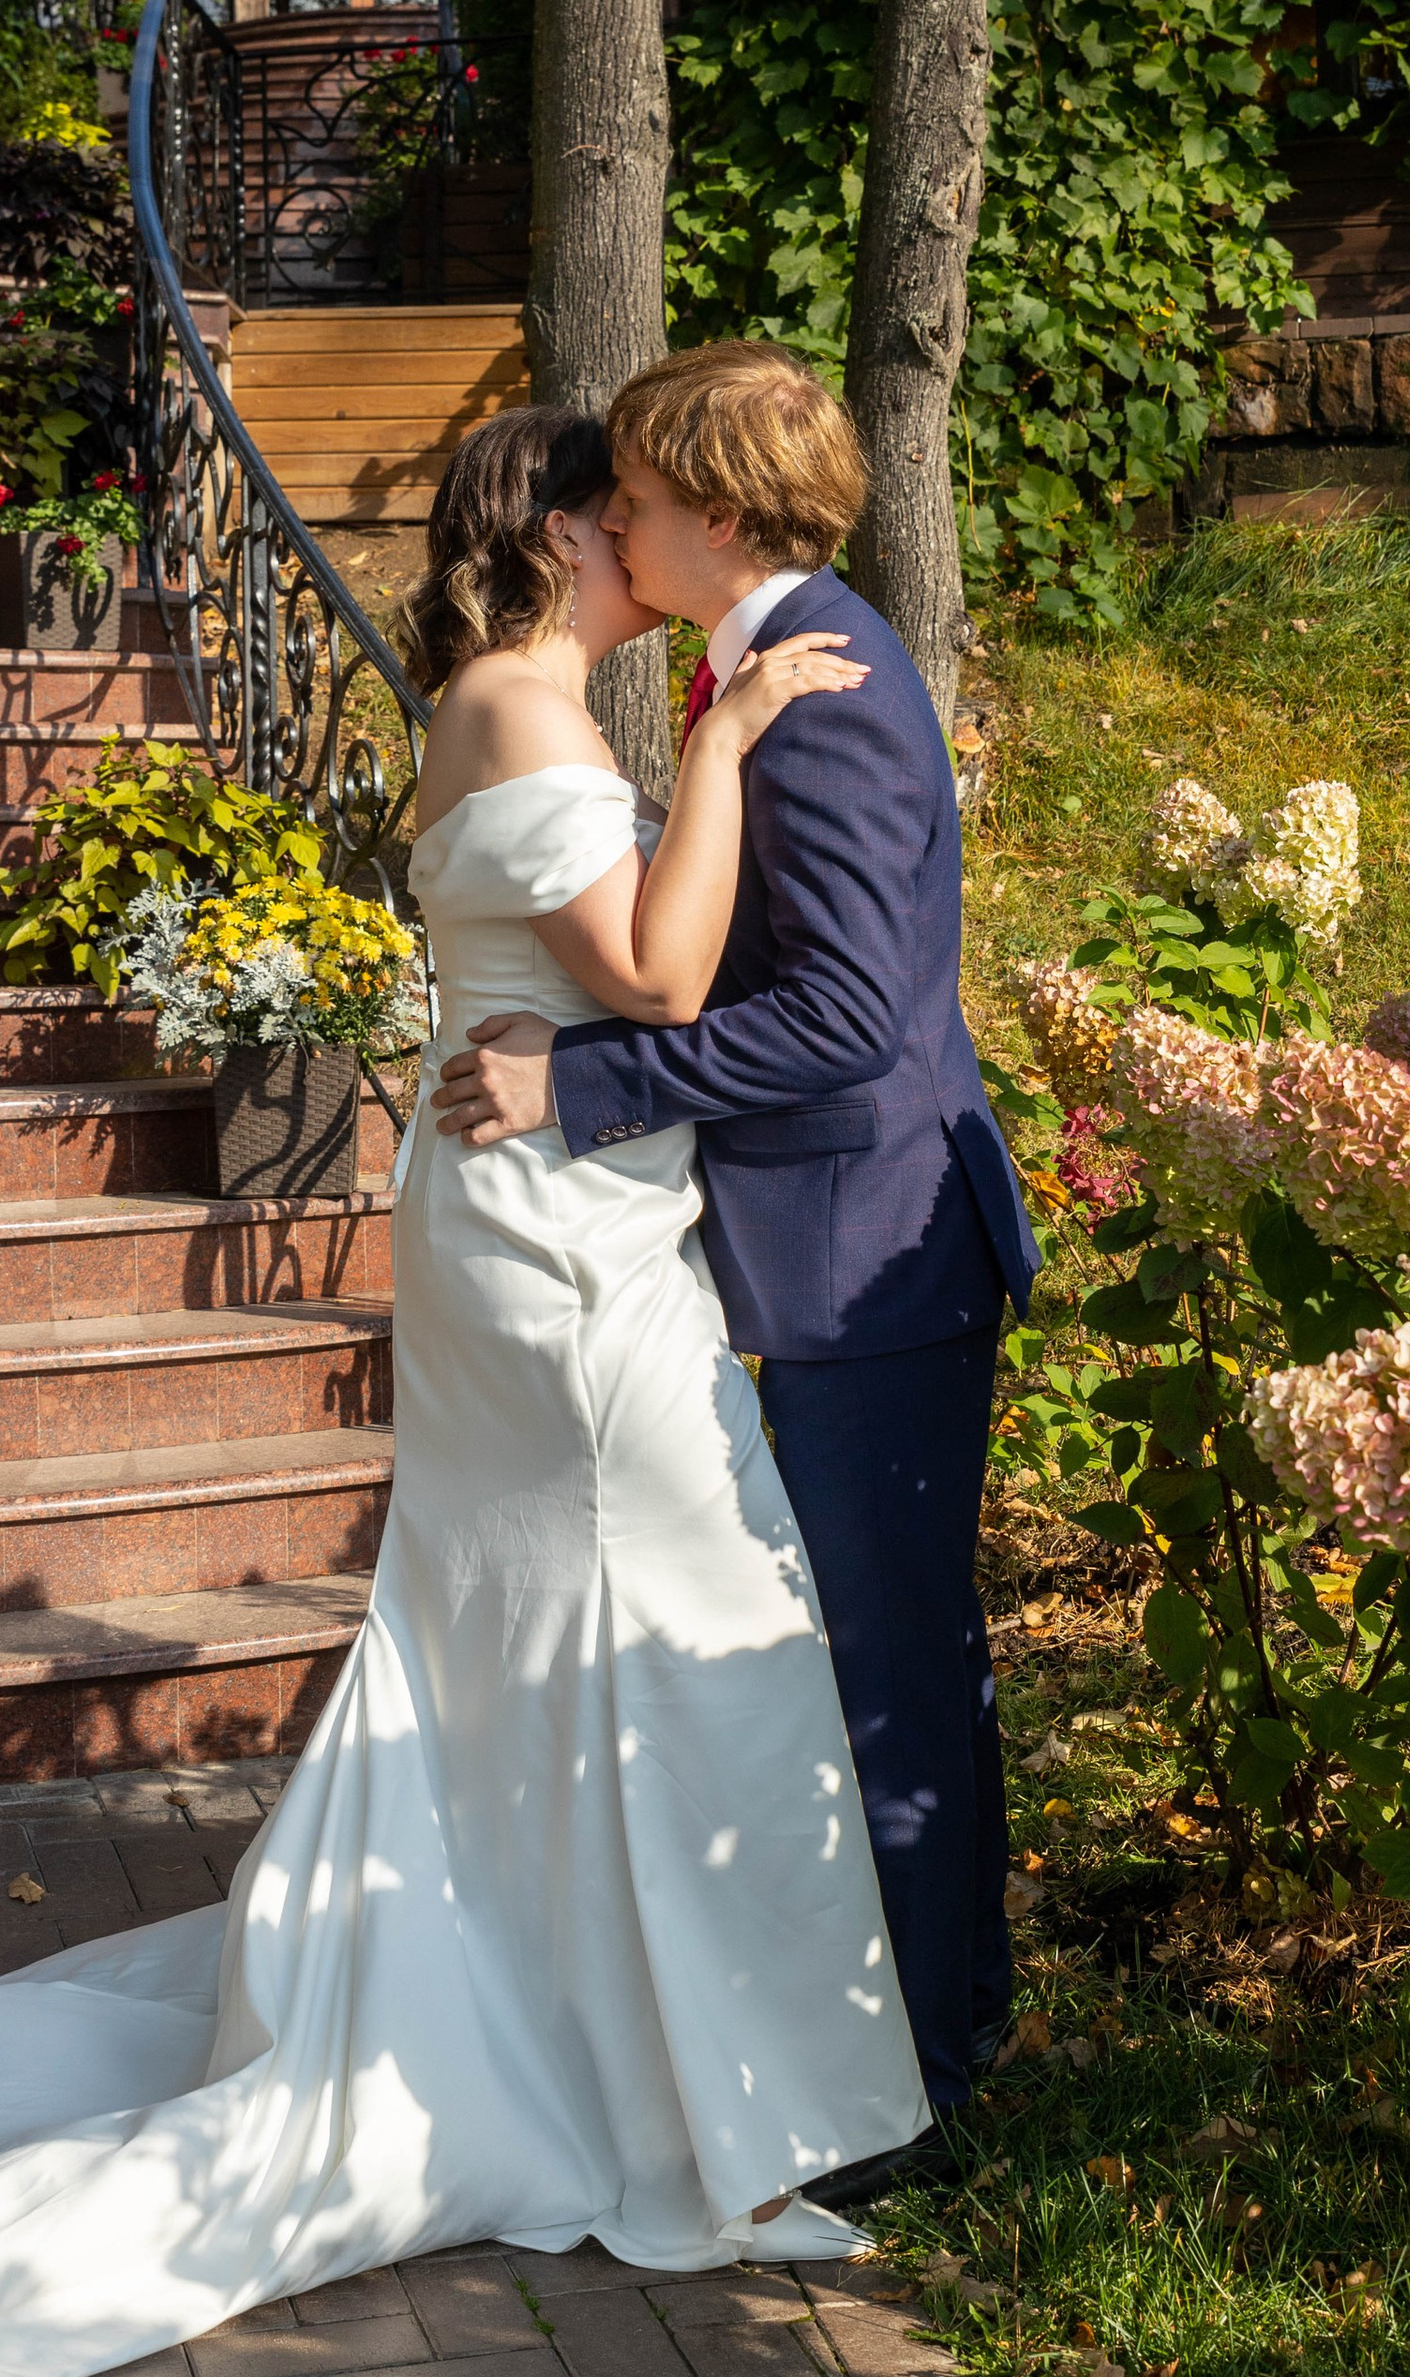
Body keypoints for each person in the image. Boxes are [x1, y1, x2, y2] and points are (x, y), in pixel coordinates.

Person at [0, 406, 929, 2377]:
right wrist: (726, 749)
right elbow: (659, 983)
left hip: (547, 1216)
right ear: (563, 534)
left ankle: (595, 2029)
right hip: (557, 1254)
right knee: (660, 1611)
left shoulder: (518, 707)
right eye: (621, 509)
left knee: (577, 1630)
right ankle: (655, 2090)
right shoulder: (524, 714)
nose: (647, 536)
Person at [432, 344, 1039, 2178]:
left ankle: (930, 2074)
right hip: (817, 1245)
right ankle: (900, 2034)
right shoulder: (760, 665)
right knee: (859, 1645)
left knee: (888, 1663)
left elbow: (849, 1017)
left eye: (632, 497)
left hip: (874, 1254)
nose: (613, 523)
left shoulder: (825, 690)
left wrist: (583, 1085)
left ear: (709, 512)